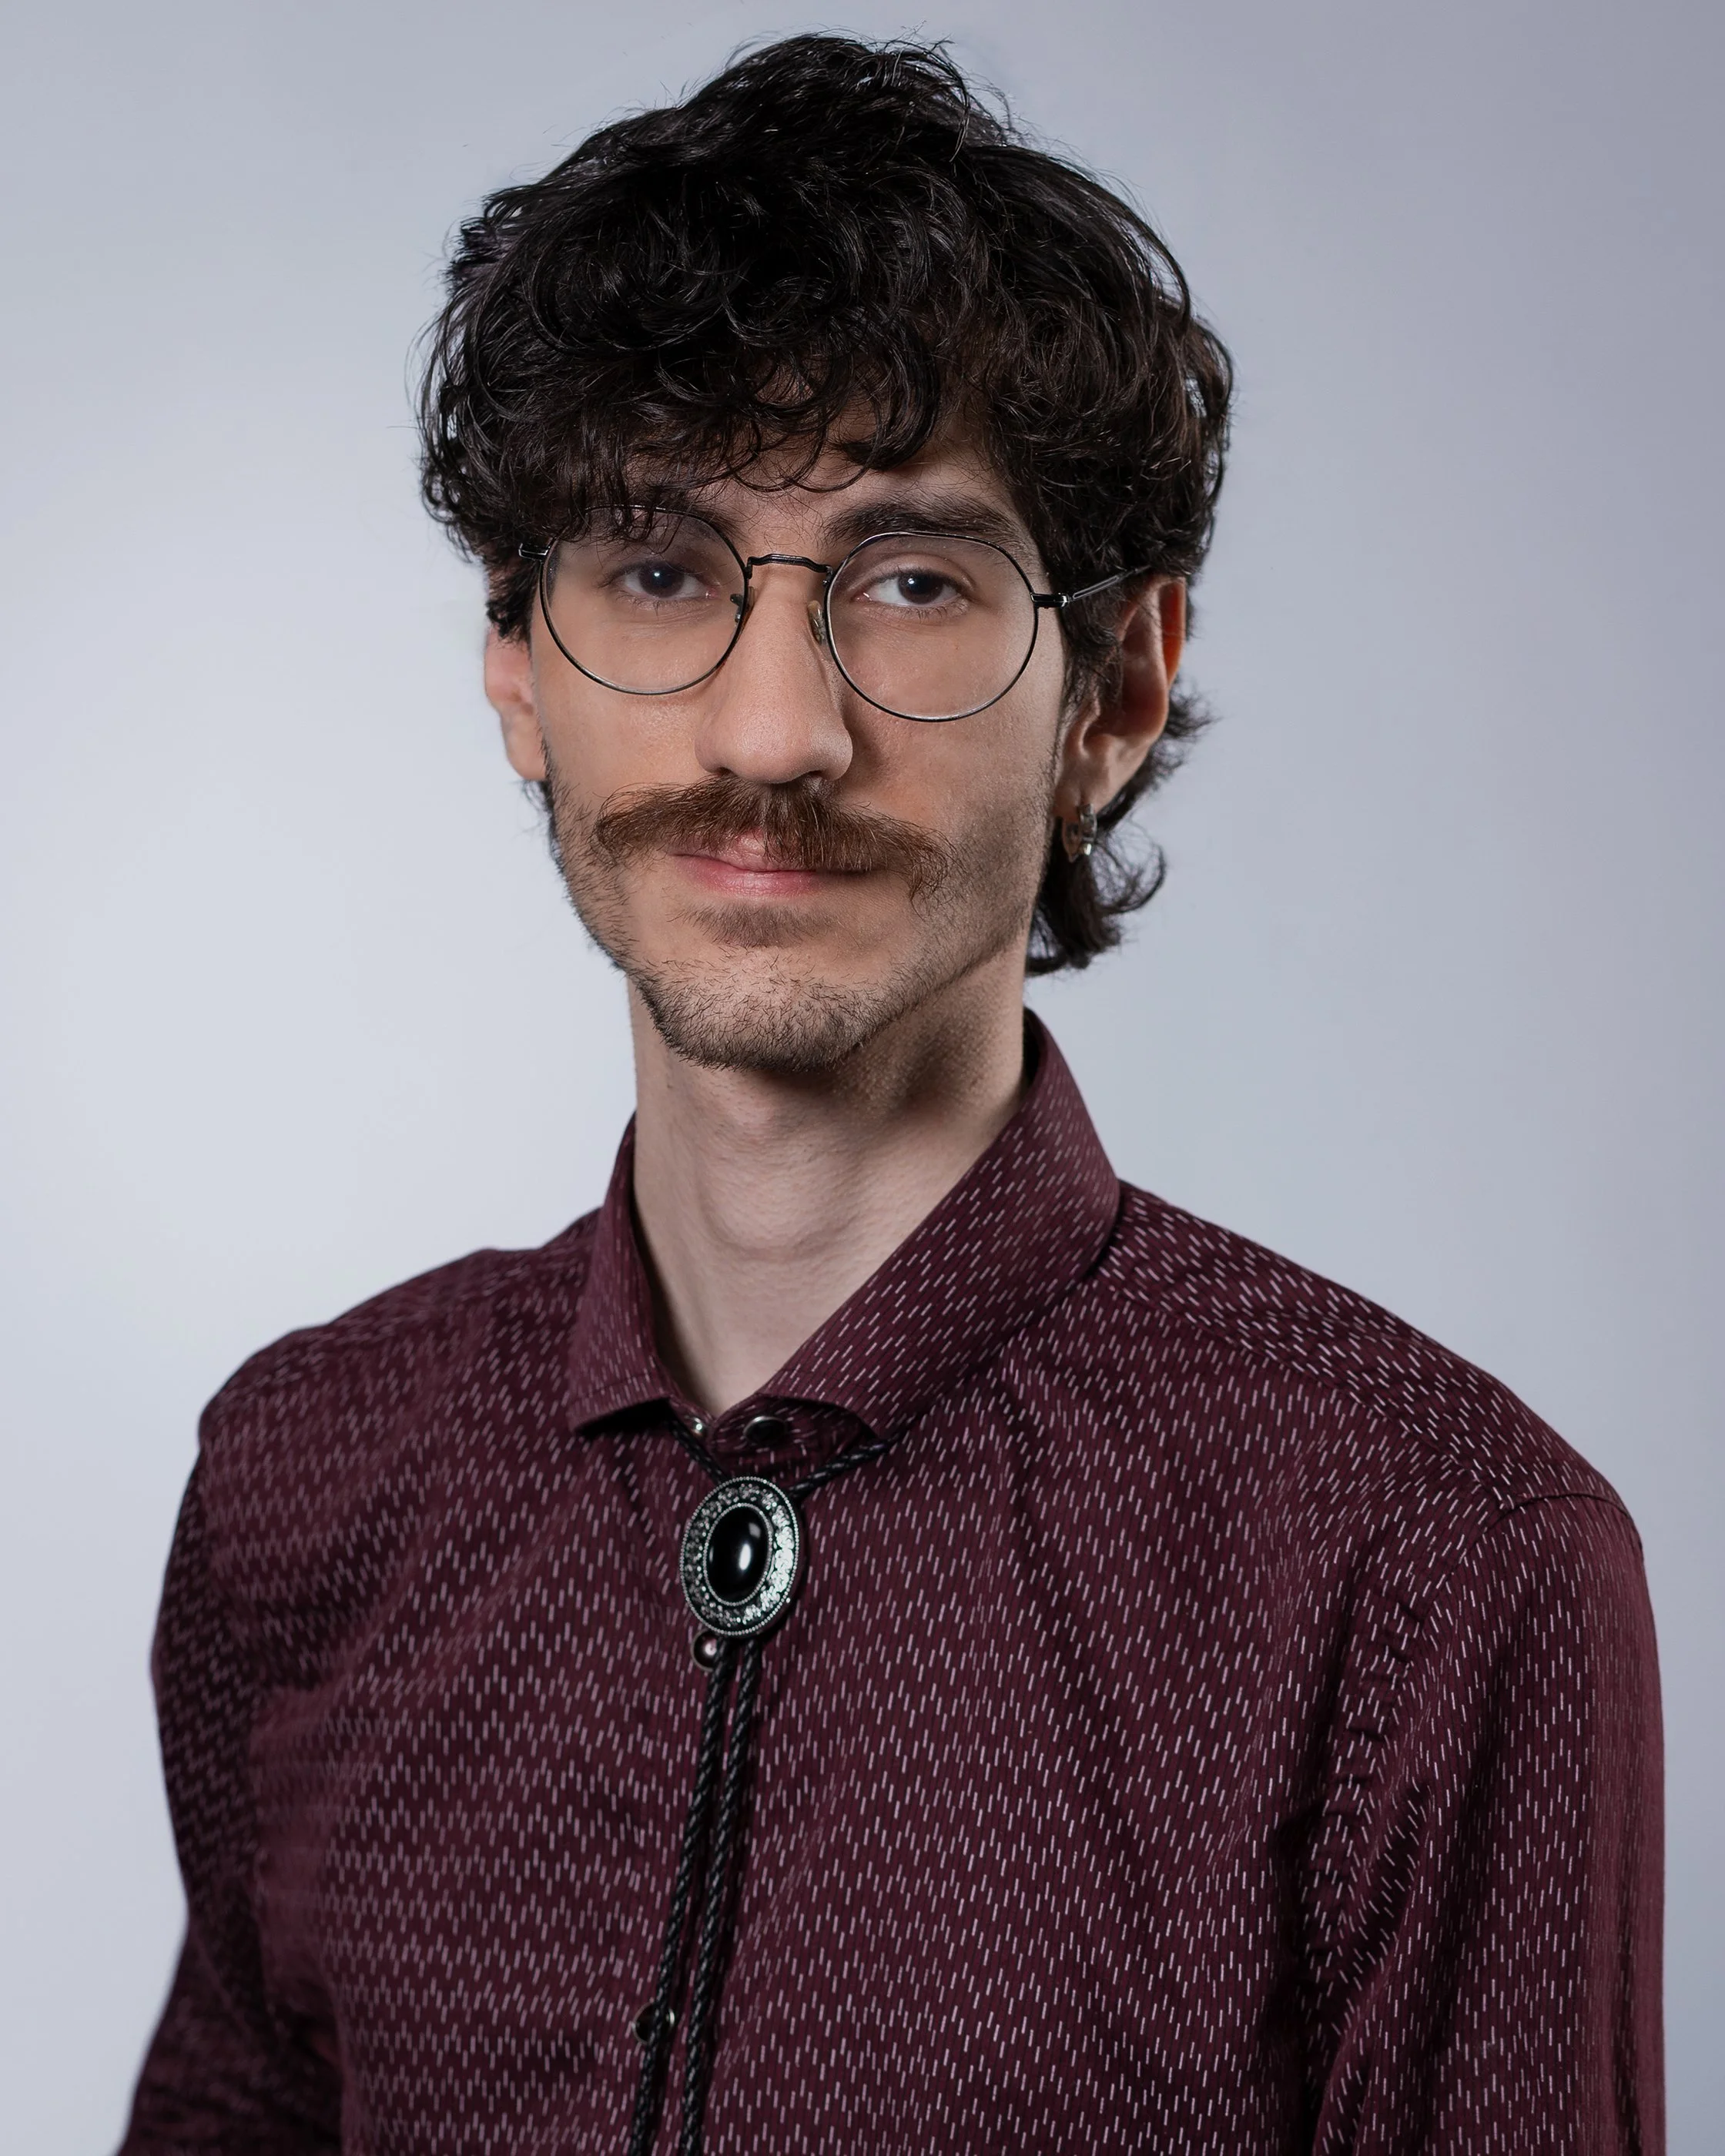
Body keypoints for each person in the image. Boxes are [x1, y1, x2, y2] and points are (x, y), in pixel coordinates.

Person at [119, 34, 1662, 2156]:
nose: (772, 732)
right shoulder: (306, 1485)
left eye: (911, 581)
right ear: (515, 670)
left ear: (1114, 692)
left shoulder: (1440, 1563)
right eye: (657, 566)